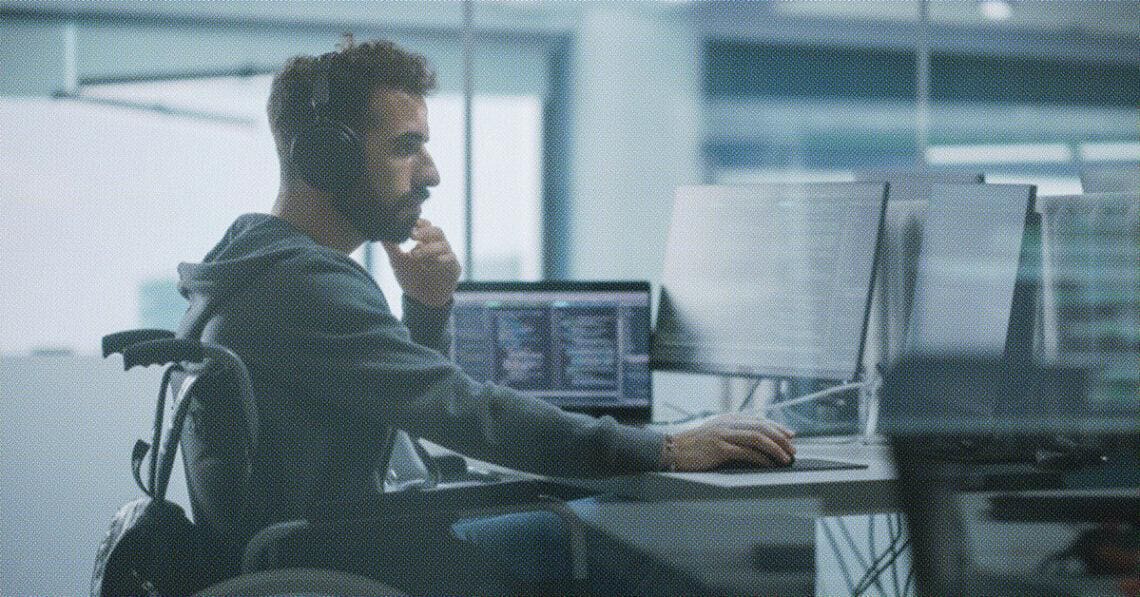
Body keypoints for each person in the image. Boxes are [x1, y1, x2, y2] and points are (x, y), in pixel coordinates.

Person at [176, 35, 796, 593]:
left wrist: (426, 308)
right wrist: (664, 449)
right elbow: (466, 413)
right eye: (405, 148)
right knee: (631, 557)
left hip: (319, 553)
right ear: (326, 160)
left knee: (571, 535)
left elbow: (410, 409)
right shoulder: (304, 286)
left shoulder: (249, 268)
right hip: (339, 564)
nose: (432, 174)